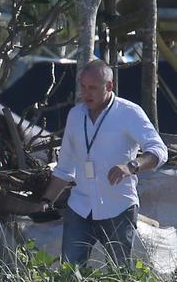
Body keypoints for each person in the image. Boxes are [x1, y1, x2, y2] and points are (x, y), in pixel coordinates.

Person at [39, 59, 167, 268]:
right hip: (80, 207)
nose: (86, 93)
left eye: (92, 88)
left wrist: (131, 166)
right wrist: (46, 199)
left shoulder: (129, 112)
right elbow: (65, 167)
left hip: (118, 207)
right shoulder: (75, 115)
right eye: (83, 87)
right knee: (69, 273)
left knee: (120, 273)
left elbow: (159, 151)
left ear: (109, 86)